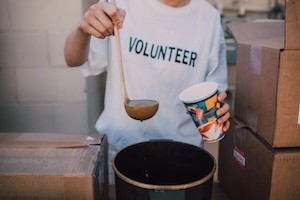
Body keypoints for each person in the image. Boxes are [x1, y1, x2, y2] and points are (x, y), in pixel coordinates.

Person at [64, 0, 231, 183]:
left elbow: (215, 91)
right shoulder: (119, 5)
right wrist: (83, 30)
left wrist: (219, 110)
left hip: (182, 158)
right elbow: (73, 59)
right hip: (119, 153)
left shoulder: (209, 17)